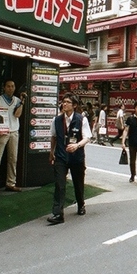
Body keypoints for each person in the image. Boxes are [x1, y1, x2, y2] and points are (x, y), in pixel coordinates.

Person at [47, 93, 92, 225]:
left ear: (74, 105)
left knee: (78, 183)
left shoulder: (81, 119)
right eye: (63, 101)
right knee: (59, 184)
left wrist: (77, 145)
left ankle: (81, 204)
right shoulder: (56, 120)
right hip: (61, 156)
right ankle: (58, 214)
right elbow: (53, 136)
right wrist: (51, 152)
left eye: (67, 102)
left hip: (76, 157)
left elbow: (87, 137)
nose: (64, 104)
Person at [0, 79, 25, 194]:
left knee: (13, 159)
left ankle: (11, 183)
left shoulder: (17, 100)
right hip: (1, 132)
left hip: (14, 131)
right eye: (8, 86)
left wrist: (22, 102)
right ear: (4, 87)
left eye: (12, 86)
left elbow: (17, 115)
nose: (10, 88)